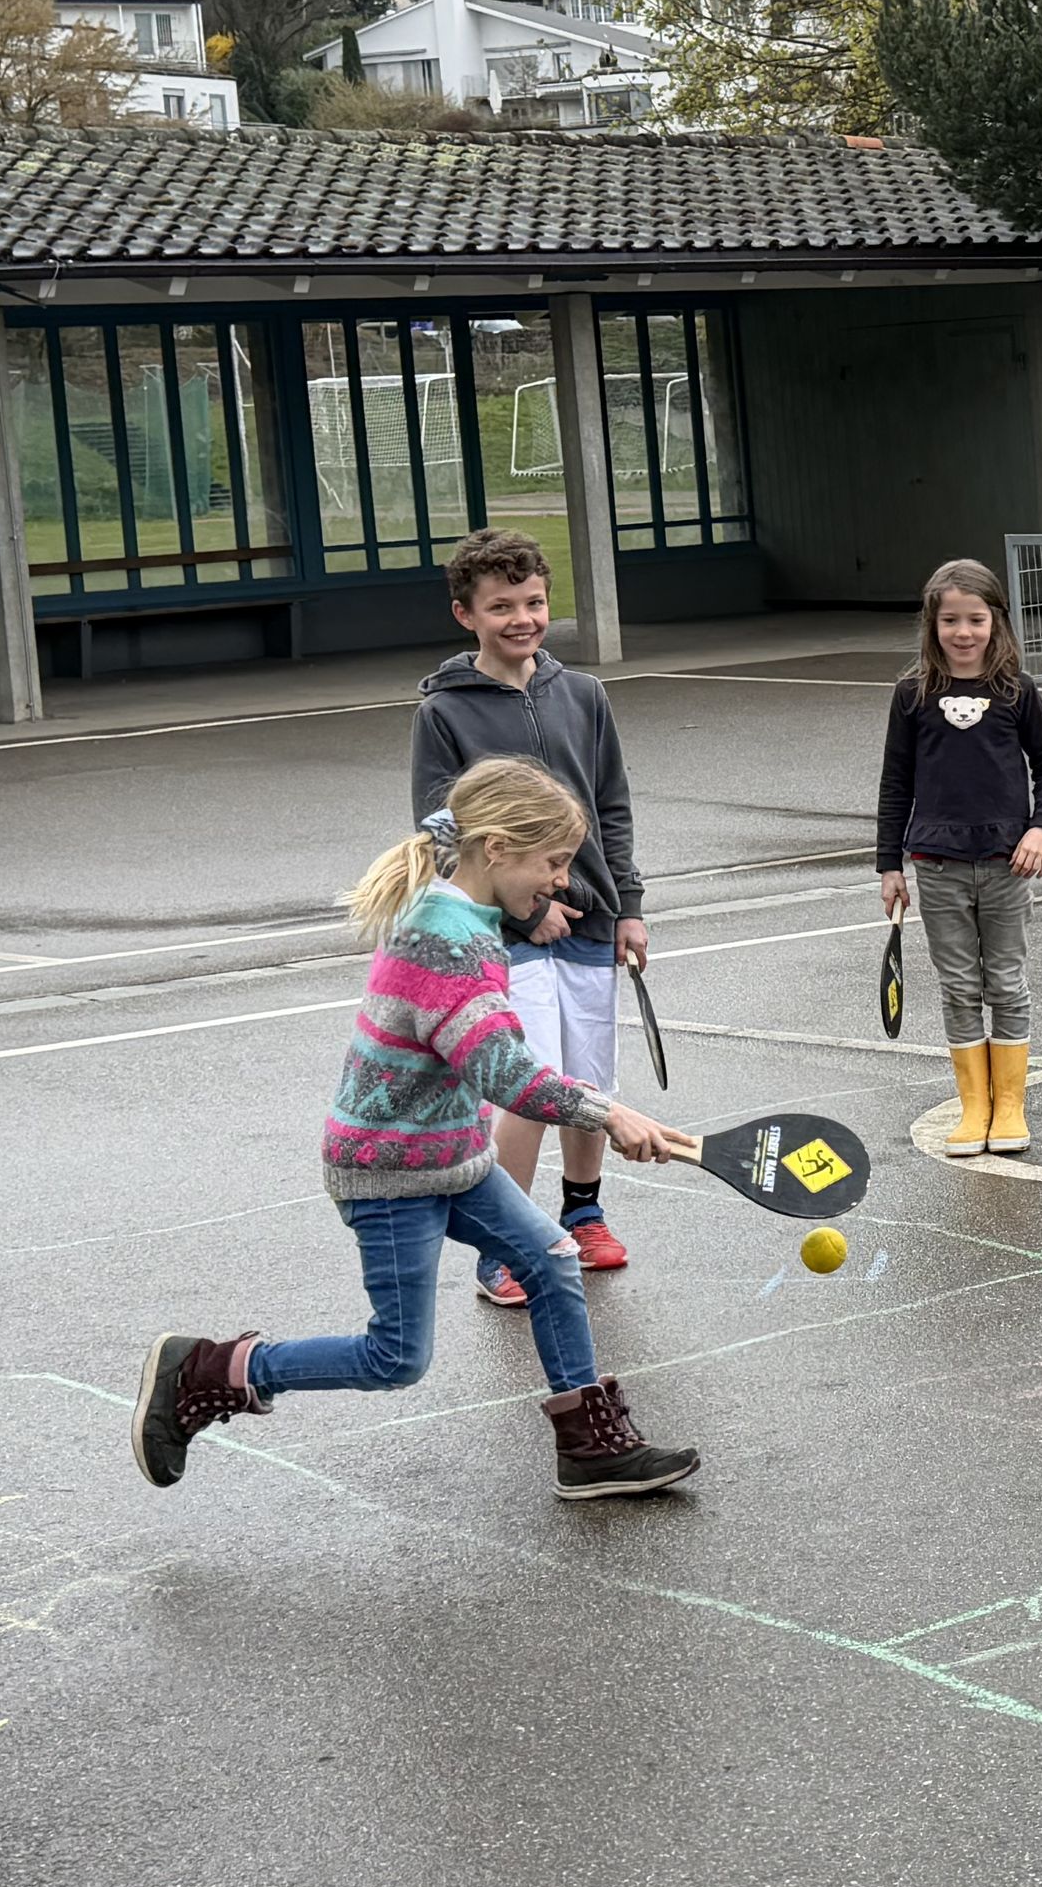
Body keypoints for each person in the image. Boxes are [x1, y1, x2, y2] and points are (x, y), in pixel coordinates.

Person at [131, 758, 701, 1501]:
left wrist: (592, 1103)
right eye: (554, 862)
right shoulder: (447, 939)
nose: (563, 881)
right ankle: (209, 1370)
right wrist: (608, 1113)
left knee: (551, 1260)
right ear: (497, 848)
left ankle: (589, 1448)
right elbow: (502, 1072)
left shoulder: (463, 912)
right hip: (391, 1172)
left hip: (453, 1158)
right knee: (395, 1357)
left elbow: (493, 1057)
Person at [410, 528, 650, 1305]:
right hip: (504, 936)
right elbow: (438, 830)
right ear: (466, 615)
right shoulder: (444, 711)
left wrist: (628, 907)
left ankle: (584, 1213)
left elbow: (612, 806)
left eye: (535, 602)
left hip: (591, 925)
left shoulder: (583, 694)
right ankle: (504, 1245)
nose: (522, 619)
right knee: (528, 1085)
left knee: (588, 1079)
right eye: (502, 607)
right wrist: (525, 913)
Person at [879, 558, 1042, 1157]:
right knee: (959, 987)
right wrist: (889, 866)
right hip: (937, 866)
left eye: (976, 619)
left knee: (1005, 983)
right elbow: (895, 784)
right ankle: (974, 1107)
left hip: (1010, 863)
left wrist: (1040, 829)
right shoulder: (912, 695)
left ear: (996, 622)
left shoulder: (1017, 691)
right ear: (932, 625)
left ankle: (1009, 1106)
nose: (963, 632)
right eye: (950, 620)